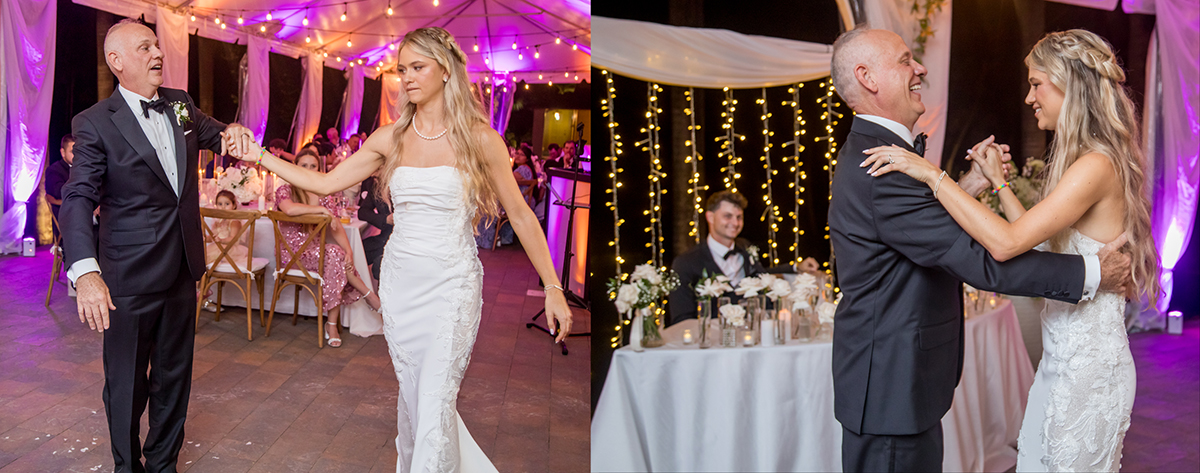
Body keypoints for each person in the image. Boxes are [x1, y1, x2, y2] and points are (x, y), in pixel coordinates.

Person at [222, 26, 571, 471]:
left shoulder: (482, 140)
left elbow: (521, 216)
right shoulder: (390, 138)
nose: (406, 78)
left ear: (445, 70)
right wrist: (260, 157)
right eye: (402, 69)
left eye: (417, 68)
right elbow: (326, 182)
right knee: (416, 401)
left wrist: (554, 286)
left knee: (434, 400)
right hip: (403, 285)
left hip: (452, 285)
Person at [825, 25, 1133, 473]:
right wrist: (1091, 274)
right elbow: (990, 257)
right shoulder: (882, 164)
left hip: (900, 382)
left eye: (1035, 84)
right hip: (891, 385)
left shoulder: (881, 153)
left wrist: (965, 185)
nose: (920, 68)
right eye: (905, 60)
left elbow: (919, 232)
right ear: (868, 78)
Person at [60, 19, 251, 473]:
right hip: (128, 278)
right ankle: (128, 468)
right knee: (125, 384)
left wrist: (236, 130)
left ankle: (163, 463)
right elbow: (77, 197)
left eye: (157, 46)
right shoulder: (93, 123)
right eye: (144, 48)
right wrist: (86, 271)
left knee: (174, 379)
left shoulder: (180, 105)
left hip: (183, 270)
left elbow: (216, 133)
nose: (157, 54)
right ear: (117, 61)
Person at [275, 150, 381, 348]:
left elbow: (337, 227)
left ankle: (332, 323)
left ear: (319, 169)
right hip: (291, 254)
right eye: (303, 165)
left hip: (317, 252)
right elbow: (290, 209)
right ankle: (367, 295)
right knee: (334, 254)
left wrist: (349, 251)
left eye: (312, 166)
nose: (308, 170)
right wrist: (321, 211)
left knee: (337, 255)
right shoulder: (285, 191)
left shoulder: (324, 195)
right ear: (294, 167)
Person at [666, 190, 798, 326]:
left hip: (752, 334)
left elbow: (761, 275)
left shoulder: (745, 248)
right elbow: (681, 319)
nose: (735, 223)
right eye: (728, 216)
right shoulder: (686, 263)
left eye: (739, 217)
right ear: (710, 217)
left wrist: (795, 267)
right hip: (713, 341)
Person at [357, 172, 393, 281]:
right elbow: (362, 212)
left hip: (401, 240)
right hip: (383, 239)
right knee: (357, 252)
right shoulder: (376, 187)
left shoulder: (402, 186)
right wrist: (385, 219)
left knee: (378, 266)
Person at [204, 190, 250, 266]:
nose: (223, 207)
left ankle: (216, 263)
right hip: (218, 246)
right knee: (204, 252)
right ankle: (204, 271)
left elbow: (233, 238)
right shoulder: (217, 221)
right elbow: (213, 237)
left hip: (230, 248)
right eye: (220, 204)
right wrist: (206, 238)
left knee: (218, 251)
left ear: (234, 205)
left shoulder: (234, 221)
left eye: (227, 204)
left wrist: (221, 240)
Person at [44, 134, 75, 219]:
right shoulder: (54, 170)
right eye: (72, 152)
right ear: (63, 152)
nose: (77, 155)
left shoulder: (84, 168)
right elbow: (60, 192)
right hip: (68, 217)